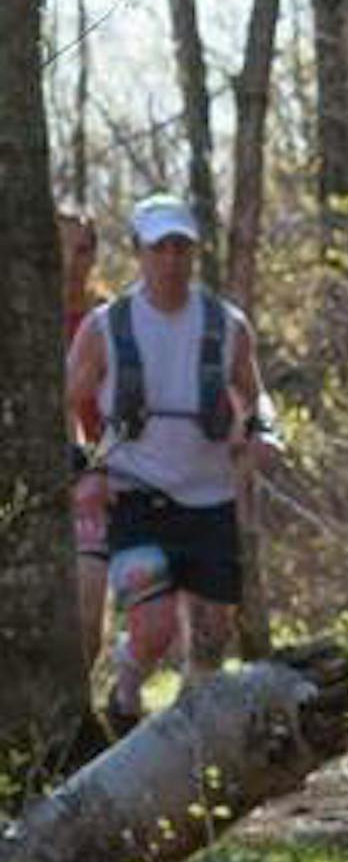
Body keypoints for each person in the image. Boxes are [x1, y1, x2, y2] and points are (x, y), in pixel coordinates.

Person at [65, 192, 272, 729]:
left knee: (209, 641)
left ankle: (193, 749)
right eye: (160, 248)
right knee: (153, 626)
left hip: (211, 495)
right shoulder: (105, 327)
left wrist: (264, 431)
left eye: (182, 247)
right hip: (135, 492)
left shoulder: (227, 325)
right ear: (138, 251)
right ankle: (126, 695)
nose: (172, 260)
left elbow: (256, 393)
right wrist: (83, 468)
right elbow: (63, 401)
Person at [59, 210, 110, 665]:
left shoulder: (111, 320)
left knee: (88, 613)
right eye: (61, 248)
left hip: (92, 480)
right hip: (27, 483)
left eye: (82, 249)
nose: (72, 261)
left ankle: (81, 719)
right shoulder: (21, 321)